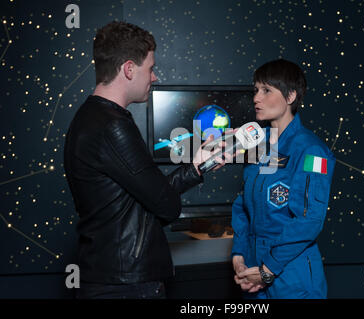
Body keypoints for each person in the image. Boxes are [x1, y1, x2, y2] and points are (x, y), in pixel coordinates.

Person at [64, 21, 229, 299]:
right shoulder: (113, 127)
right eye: (150, 68)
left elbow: (142, 198)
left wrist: (196, 166)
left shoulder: (88, 118)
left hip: (108, 277)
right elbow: (165, 205)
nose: (154, 77)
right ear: (129, 69)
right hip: (126, 284)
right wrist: (185, 179)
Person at [231, 59, 336, 299]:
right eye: (255, 90)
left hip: (292, 275)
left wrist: (268, 270)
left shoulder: (312, 151)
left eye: (267, 90)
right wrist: (239, 256)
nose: (257, 98)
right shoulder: (256, 145)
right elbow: (242, 207)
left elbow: (309, 220)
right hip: (253, 272)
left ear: (290, 96)